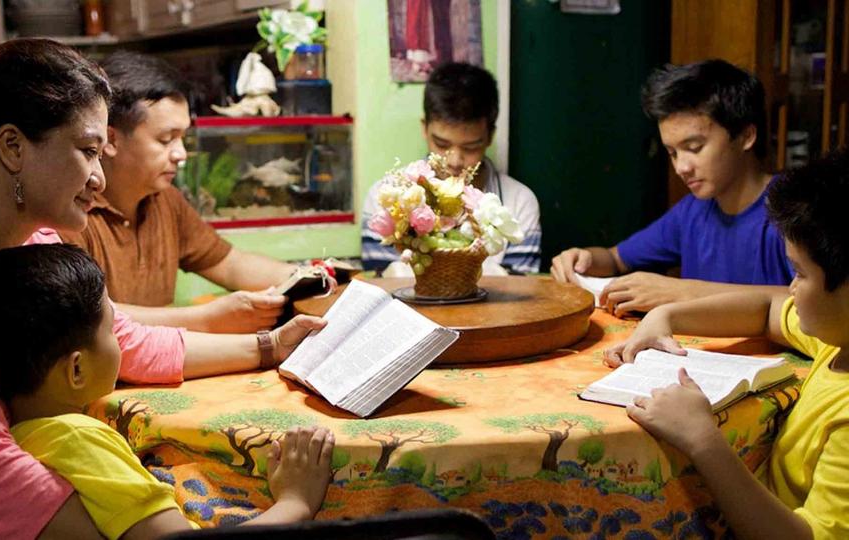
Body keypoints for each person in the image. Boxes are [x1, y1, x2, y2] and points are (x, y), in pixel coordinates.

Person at [0, 39, 325, 538]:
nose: (99, 177)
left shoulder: (36, 234)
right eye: (88, 151)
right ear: (12, 147)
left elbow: (129, 340)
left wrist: (269, 347)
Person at [0, 244, 335, 539]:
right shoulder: (79, 442)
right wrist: (296, 503)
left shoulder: (24, 435)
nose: (121, 343)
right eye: (112, 332)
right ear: (76, 369)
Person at [604, 150, 849, 540]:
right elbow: (766, 308)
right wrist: (668, 315)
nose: (790, 288)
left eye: (800, 273)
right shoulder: (838, 342)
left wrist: (702, 439)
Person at [59, 51, 299, 335]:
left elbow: (229, 264)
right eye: (165, 139)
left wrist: (304, 277)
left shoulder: (166, 200)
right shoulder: (68, 212)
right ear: (109, 139)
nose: (181, 154)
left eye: (182, 138)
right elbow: (88, 316)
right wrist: (206, 318)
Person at [551, 59, 792, 315]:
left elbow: (811, 302)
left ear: (746, 135)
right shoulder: (692, 212)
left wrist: (683, 292)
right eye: (672, 153)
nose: (681, 167)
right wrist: (584, 258)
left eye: (694, 148)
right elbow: (614, 259)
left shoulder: (792, 211)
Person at [361, 62, 542, 275]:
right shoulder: (385, 198)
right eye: (442, 145)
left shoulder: (519, 204)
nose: (455, 161)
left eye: (471, 147)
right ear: (425, 129)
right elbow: (380, 289)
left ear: (490, 137)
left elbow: (520, 294)